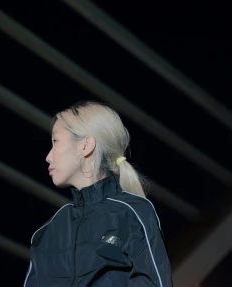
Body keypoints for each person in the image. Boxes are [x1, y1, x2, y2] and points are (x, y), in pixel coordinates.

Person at [23, 100, 173, 286]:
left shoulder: (132, 213)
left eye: (55, 141)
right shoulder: (46, 233)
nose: (48, 156)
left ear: (86, 146)